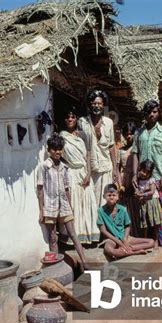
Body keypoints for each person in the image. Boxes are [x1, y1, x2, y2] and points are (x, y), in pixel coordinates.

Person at [37, 133, 89, 269]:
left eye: (60, 149)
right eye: (54, 149)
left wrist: (70, 206)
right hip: (50, 206)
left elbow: (67, 189)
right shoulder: (43, 167)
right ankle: (56, 268)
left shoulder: (65, 168)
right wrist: (41, 211)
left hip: (64, 205)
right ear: (49, 150)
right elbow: (40, 189)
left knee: (73, 234)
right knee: (53, 238)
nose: (57, 152)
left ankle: (86, 264)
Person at [131, 100, 162, 253]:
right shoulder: (139, 133)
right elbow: (135, 154)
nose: (152, 115)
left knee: (161, 209)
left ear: (159, 113)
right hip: (143, 178)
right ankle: (148, 239)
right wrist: (134, 174)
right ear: (145, 113)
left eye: (155, 112)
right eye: (149, 112)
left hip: (158, 176)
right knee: (145, 208)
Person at [60, 107, 100, 244]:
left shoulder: (83, 135)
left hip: (83, 172)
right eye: (67, 117)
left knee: (87, 202)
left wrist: (89, 173)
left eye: (72, 117)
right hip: (71, 173)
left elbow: (88, 155)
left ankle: (89, 235)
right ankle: (74, 238)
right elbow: (60, 157)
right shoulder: (61, 136)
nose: (70, 119)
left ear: (76, 119)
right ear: (64, 120)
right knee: (74, 203)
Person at [78, 90, 121, 206]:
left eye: (99, 104)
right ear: (90, 104)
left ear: (103, 105)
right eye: (94, 103)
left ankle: (104, 224)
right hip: (89, 170)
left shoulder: (109, 123)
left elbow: (112, 146)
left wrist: (115, 169)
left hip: (105, 168)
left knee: (105, 201)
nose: (97, 106)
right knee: (90, 203)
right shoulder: (82, 122)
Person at [97, 184, 155, 259]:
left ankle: (126, 249)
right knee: (109, 250)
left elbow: (127, 226)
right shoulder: (101, 211)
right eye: (109, 195)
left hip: (123, 236)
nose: (111, 197)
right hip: (111, 239)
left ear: (117, 196)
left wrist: (125, 239)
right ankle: (132, 252)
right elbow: (103, 230)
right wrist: (119, 242)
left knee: (151, 242)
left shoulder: (122, 209)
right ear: (104, 196)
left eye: (114, 195)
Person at [133, 160, 162, 241]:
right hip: (143, 204)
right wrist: (137, 192)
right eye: (143, 171)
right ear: (140, 169)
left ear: (150, 173)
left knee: (155, 223)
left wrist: (141, 194)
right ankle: (145, 241)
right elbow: (137, 190)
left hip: (152, 203)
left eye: (147, 172)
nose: (144, 174)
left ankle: (156, 241)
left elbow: (152, 192)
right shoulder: (138, 180)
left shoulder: (151, 180)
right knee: (145, 223)